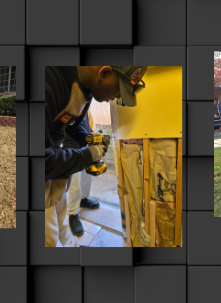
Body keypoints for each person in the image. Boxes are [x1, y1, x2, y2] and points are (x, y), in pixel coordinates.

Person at [45, 66, 148, 247]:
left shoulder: (86, 89)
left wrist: (90, 140)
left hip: (53, 170)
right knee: (49, 234)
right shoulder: (48, 82)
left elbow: (72, 125)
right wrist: (89, 154)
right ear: (104, 73)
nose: (117, 97)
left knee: (61, 218)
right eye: (118, 90)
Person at [63, 110, 100, 236]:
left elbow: (89, 123)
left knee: (87, 175)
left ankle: (83, 199)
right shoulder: (69, 100)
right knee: (74, 182)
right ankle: (72, 214)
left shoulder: (87, 105)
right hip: (69, 144)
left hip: (85, 142)